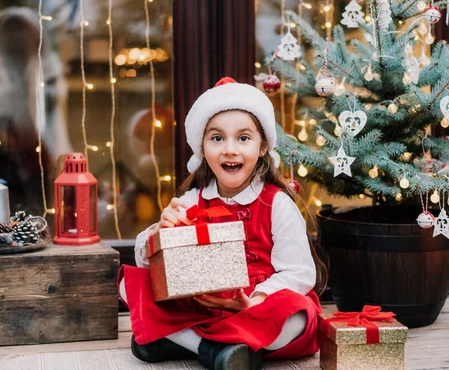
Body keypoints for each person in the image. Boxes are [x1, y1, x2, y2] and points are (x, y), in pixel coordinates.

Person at [118, 77, 326, 370]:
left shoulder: (276, 203)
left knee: (299, 314)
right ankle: (215, 350)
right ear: (202, 148)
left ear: (263, 146)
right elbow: (148, 263)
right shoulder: (192, 201)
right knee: (131, 284)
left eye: (243, 138)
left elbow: (300, 273)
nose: (230, 149)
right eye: (217, 138)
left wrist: (255, 300)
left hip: (256, 308)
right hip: (204, 305)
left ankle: (181, 342)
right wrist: (159, 233)